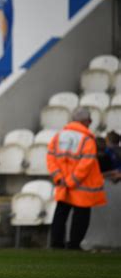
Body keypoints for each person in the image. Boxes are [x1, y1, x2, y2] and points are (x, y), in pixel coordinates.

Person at [47, 107, 107, 250]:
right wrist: (72, 181)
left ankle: (56, 244)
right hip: (81, 186)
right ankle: (74, 245)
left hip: (62, 183)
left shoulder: (58, 136)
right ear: (85, 121)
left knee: (60, 214)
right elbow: (86, 162)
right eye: (90, 120)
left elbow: (51, 158)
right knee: (81, 216)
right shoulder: (87, 139)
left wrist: (59, 177)